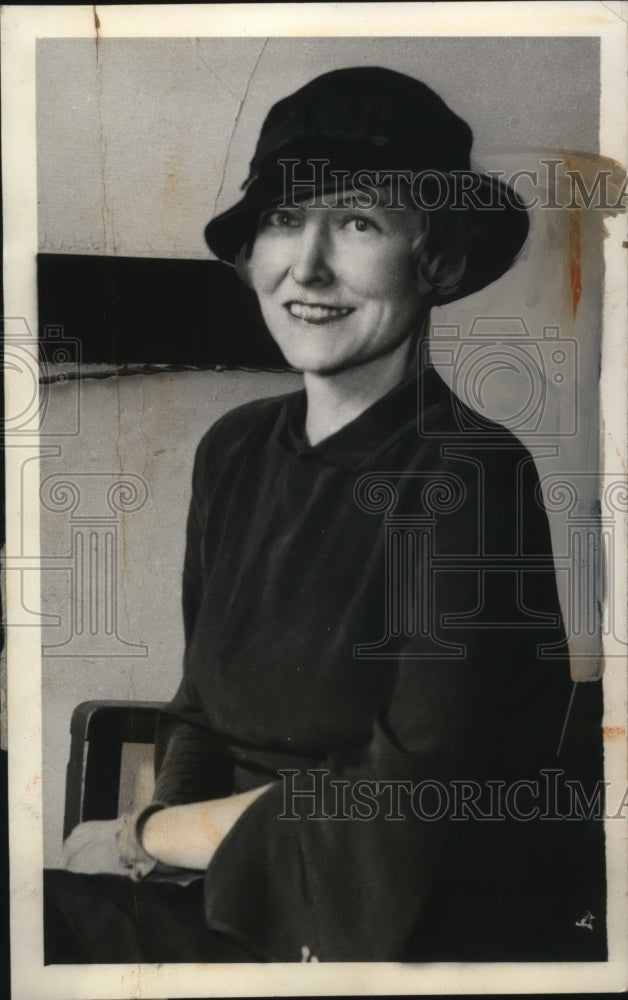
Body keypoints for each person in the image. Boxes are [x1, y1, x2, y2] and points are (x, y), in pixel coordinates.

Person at [44, 66, 606, 964]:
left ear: (439, 260)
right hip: (216, 883)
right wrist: (157, 849)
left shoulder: (472, 472)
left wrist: (143, 839)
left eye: (355, 222)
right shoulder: (232, 449)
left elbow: (406, 799)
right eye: (280, 218)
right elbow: (199, 709)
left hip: (372, 921)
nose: (304, 267)